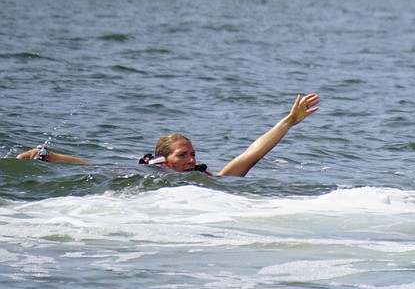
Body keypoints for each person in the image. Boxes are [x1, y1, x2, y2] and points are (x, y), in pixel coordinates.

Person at [16, 93, 321, 177]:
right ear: (164, 159)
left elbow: (249, 155)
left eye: (192, 154)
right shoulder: (147, 176)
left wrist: (289, 122)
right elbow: (92, 170)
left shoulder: (206, 181)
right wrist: (49, 156)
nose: (191, 160)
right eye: (182, 155)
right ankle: (44, 154)